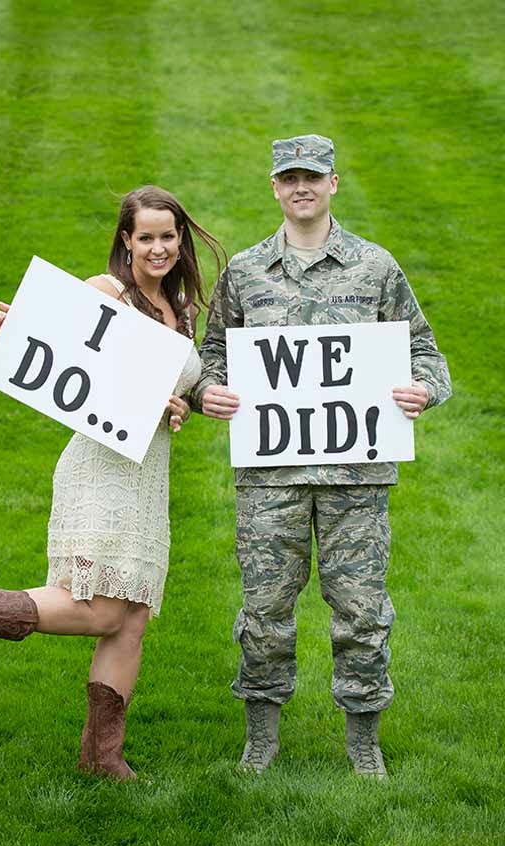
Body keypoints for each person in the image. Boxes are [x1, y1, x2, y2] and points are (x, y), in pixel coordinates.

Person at [0, 185, 225, 782]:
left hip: (148, 476)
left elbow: (173, 389)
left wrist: (179, 406)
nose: (158, 248)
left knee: (132, 617)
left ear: (180, 239)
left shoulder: (182, 310)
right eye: (146, 237)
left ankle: (102, 757)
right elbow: (54, 346)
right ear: (126, 240)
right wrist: (16, 327)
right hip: (101, 469)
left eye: (168, 236)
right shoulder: (108, 292)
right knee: (99, 609)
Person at [190, 135, 452, 778]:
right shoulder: (246, 271)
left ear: (333, 182)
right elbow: (212, 352)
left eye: (312, 176)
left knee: (362, 611)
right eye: (289, 178)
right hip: (270, 477)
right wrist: (205, 391)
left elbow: (424, 350)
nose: (300, 187)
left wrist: (424, 389)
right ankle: (261, 737)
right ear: (275, 187)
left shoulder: (375, 266)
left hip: (355, 477)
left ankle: (364, 739)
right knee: (264, 611)